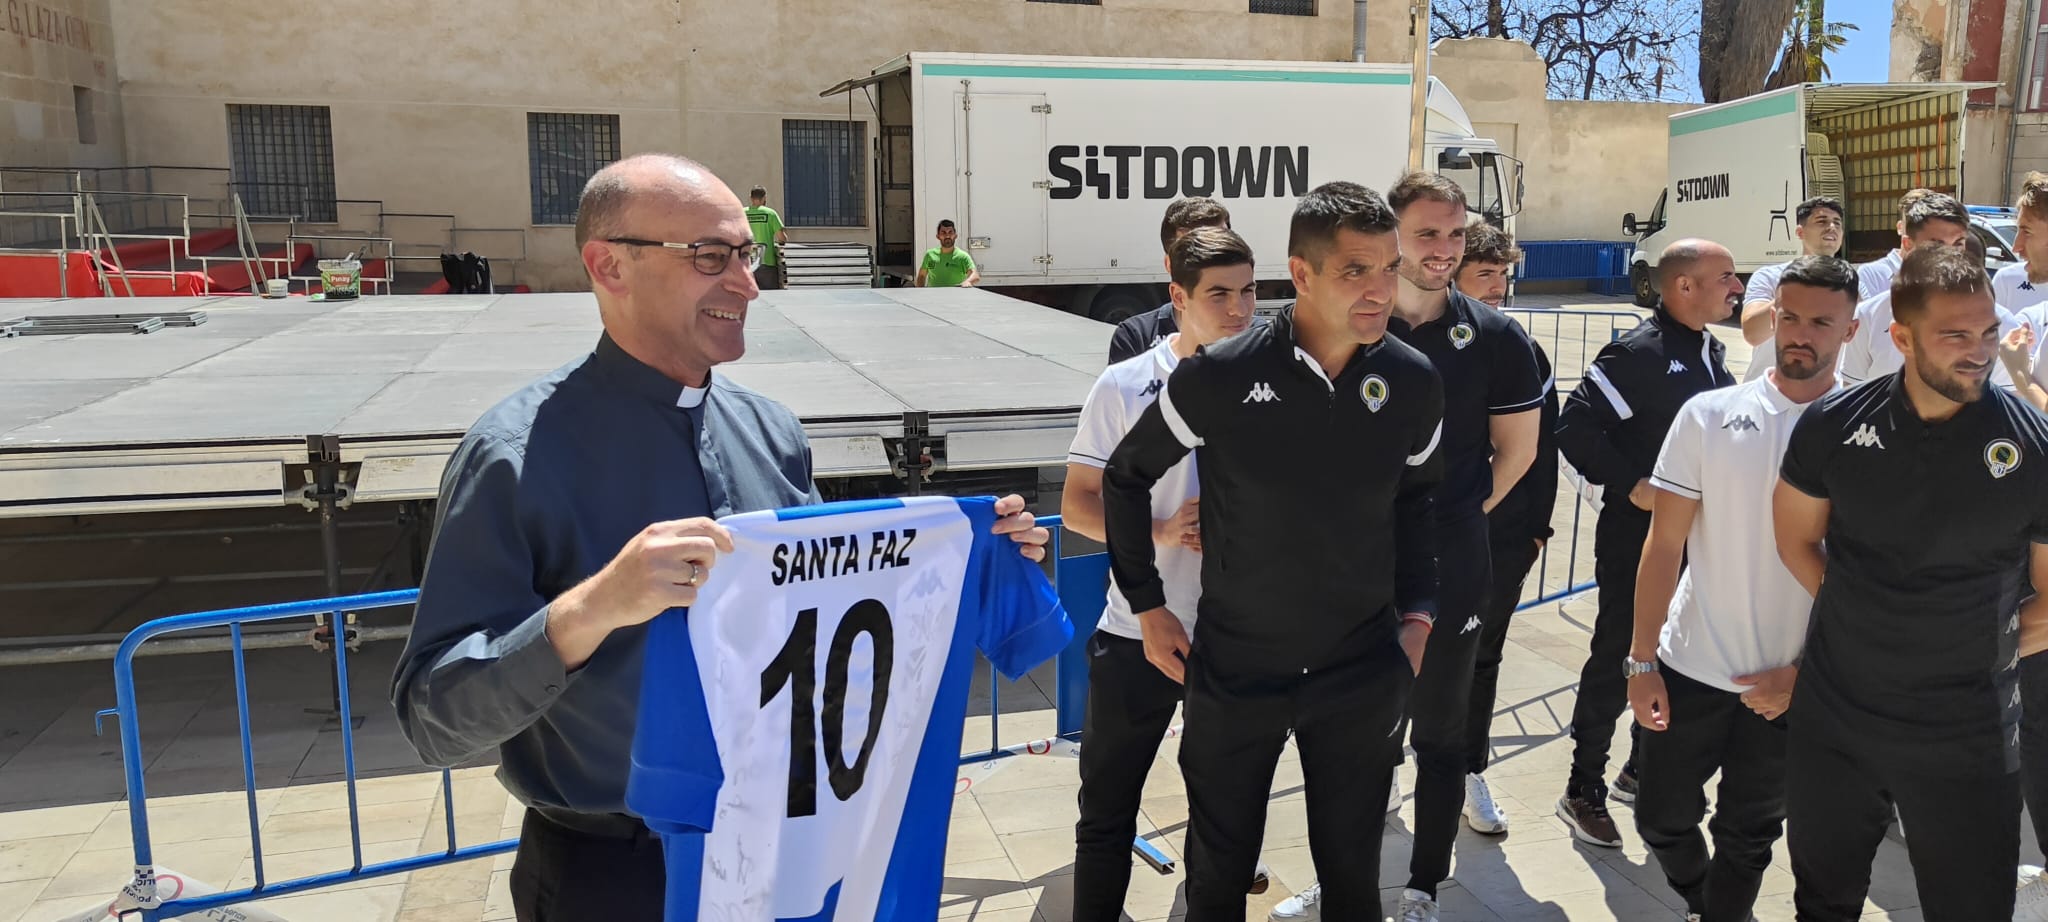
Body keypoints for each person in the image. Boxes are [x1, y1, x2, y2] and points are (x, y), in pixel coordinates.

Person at [388, 154, 1050, 920]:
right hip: (616, 878)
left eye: (747, 254)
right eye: (709, 257)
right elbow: (433, 721)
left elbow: (822, 629)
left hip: (782, 850)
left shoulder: (772, 432)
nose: (747, 285)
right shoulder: (513, 457)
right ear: (608, 266)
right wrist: (593, 610)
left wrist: (962, 568)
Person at [1102, 181, 1442, 922]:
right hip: (1237, 668)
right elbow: (1124, 478)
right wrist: (1149, 608)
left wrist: (1418, 617)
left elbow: (1420, 503)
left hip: (1359, 670)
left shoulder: (1412, 381)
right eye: (1356, 270)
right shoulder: (1222, 374)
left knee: (1354, 883)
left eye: (1389, 267)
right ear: (1301, 273)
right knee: (1217, 883)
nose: (1380, 289)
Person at [1281, 173, 1541, 922]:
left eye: (1456, 234)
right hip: (1351, 573)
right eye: (1427, 233)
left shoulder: (1496, 338)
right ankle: (1343, 881)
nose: (1445, 249)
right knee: (1352, 736)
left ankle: (1425, 887)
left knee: (1442, 735)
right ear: (1391, 235)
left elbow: (1516, 453)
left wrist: (1446, 520)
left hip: (1451, 566)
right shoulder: (1346, 323)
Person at [1774, 245, 2048, 922]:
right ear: (1900, 338)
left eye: (1988, 333)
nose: (1980, 352)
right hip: (1836, 721)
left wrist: (1975, 643)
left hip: (1969, 734)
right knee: (1822, 903)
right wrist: (1866, 616)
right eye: (1955, 336)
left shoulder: (2034, 445)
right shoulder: (1834, 425)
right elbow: (1796, 539)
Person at [1626, 255, 1859, 922]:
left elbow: (1872, 579)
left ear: (1851, 329)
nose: (1799, 334)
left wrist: (1804, 676)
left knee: (1747, 836)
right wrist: (1641, 661)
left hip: (1795, 682)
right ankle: (1708, 904)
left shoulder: (1868, 429)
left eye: (1821, 322)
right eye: (1790, 316)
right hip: (1690, 666)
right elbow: (1664, 545)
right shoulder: (1708, 414)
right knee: (1661, 819)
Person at [1063, 225, 1259, 921]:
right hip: (1138, 630)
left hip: (1236, 638)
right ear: (1178, 297)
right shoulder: (1125, 385)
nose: (1238, 310)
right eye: (1219, 295)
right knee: (1107, 810)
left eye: (1249, 292)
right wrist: (1159, 531)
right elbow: (1078, 507)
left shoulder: (1275, 383)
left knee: (1224, 819)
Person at [1554, 238, 1739, 847]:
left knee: (1672, 653)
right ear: (1683, 286)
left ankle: (1640, 770)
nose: (1737, 287)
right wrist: (1631, 483)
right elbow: (1573, 424)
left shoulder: (1709, 349)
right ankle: (1582, 787)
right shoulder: (1638, 352)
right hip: (1637, 536)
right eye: (1725, 277)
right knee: (1620, 653)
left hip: (1694, 538)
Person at [1452, 222, 1559, 840]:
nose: (1497, 287)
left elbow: (1542, 450)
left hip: (1501, 539)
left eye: (1502, 274)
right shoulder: (1411, 340)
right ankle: (1386, 768)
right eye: (1484, 274)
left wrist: (1535, 531)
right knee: (1397, 654)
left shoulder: (1521, 348)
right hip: (1425, 536)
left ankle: (1470, 771)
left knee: (1481, 656)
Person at [1837, 193, 2022, 388]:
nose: (1950, 255)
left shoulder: (2000, 323)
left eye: (1958, 243)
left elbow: (2005, 400)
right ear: (1908, 246)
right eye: (1936, 245)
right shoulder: (1869, 316)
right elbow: (1853, 395)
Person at [1108, 197, 1235, 363]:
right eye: (1196, 255)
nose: (1215, 263)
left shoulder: (1258, 334)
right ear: (1170, 264)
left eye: (1224, 250)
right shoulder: (1136, 336)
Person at [1736, 196, 1845, 381]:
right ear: (1800, 232)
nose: (1832, 227)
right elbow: (1752, 332)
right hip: (1769, 393)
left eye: (1837, 223)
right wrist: (1801, 287)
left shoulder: (1855, 284)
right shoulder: (1769, 276)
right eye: (1822, 221)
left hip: (1827, 394)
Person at [1857, 188, 1934, 300]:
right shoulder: (1871, 274)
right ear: (1899, 227)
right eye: (1913, 224)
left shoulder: (1942, 275)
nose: (1918, 232)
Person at [744, 186, 787, 292]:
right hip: (767, 262)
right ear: (764, 198)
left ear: (751, 198)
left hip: (746, 262)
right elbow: (782, 238)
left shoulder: (742, 213)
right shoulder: (770, 213)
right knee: (770, 296)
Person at [915, 219, 980, 288]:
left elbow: (975, 275)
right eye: (943, 232)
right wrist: (920, 291)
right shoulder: (930, 255)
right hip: (933, 294)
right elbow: (922, 275)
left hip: (956, 294)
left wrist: (968, 281)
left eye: (950, 232)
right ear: (938, 236)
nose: (947, 236)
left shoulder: (963, 256)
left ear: (955, 236)